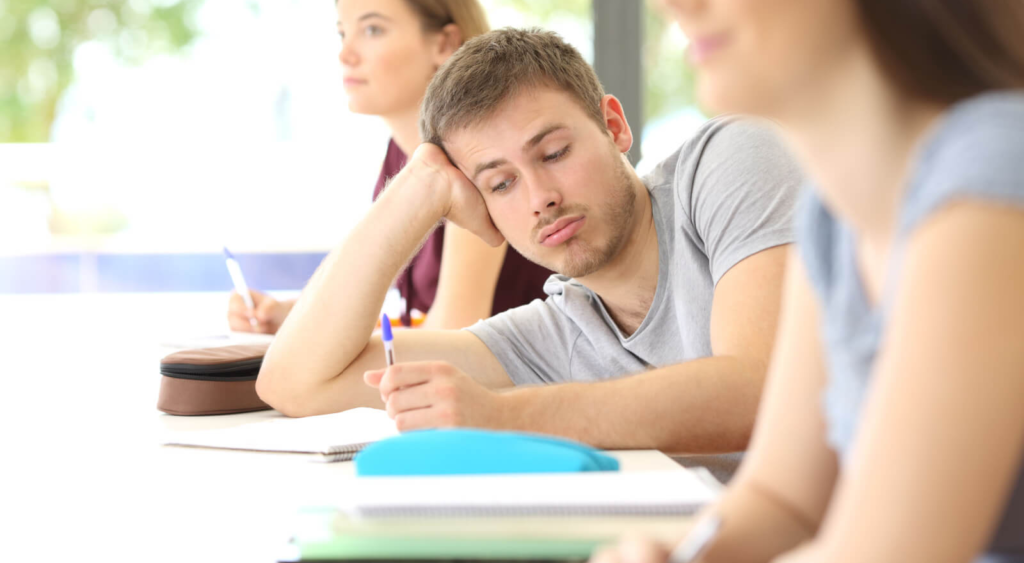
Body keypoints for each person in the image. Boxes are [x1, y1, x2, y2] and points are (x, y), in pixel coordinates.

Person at [594, 0, 1024, 561]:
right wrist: (679, 554)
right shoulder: (835, 214)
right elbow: (783, 500)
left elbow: (892, 551)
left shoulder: (996, 171)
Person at [255, 27, 804, 458]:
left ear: (613, 125)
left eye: (554, 153)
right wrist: (416, 191)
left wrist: (503, 414)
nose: (539, 197)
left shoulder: (730, 158)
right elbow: (296, 383)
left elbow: (762, 391)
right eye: (500, 183)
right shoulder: (553, 334)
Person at [227, 0, 552, 333]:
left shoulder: (475, 160)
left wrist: (314, 339)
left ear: (445, 43)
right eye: (342, 33)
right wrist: (292, 316)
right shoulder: (403, 155)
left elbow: (454, 334)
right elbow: (410, 314)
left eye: (372, 30)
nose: (345, 54)